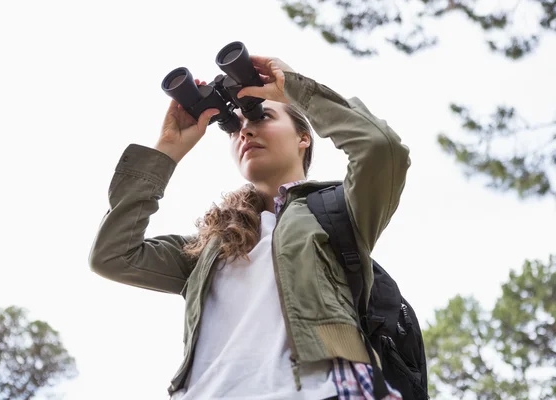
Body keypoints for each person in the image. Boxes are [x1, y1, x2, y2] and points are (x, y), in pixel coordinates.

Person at [89, 54, 410, 400]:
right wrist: (167, 150)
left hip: (321, 391)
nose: (246, 129)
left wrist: (295, 90)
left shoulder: (339, 210)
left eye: (262, 114)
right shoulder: (207, 246)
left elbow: (381, 149)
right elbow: (113, 255)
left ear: (304, 137)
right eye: (232, 126)